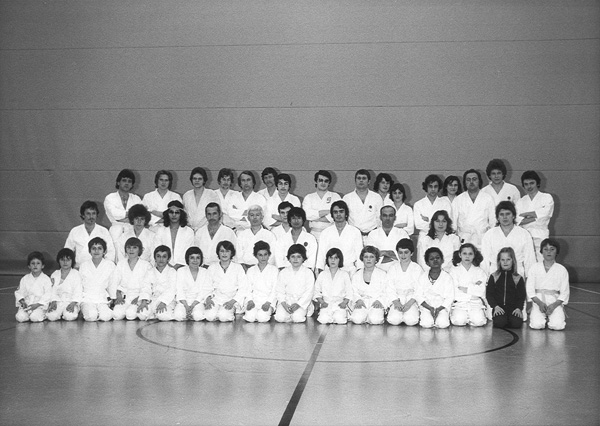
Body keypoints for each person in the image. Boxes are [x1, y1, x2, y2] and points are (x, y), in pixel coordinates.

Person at [481, 201, 536, 276]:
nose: (505, 217)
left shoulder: (524, 234)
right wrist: (485, 279)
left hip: (517, 274)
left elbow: (530, 260)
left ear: (513, 216)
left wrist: (529, 280)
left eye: (508, 214)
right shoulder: (489, 234)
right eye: (501, 214)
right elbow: (484, 260)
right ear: (497, 217)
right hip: (495, 274)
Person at [527, 239, 570, 330]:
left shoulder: (562, 270)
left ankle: (554, 315)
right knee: (537, 325)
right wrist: (539, 303)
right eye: (545, 249)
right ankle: (538, 315)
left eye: (552, 249)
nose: (549, 252)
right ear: (541, 251)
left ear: (557, 252)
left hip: (555, 300)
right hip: (538, 300)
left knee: (557, 326)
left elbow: (565, 291)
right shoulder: (534, 268)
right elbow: (529, 288)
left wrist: (554, 305)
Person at [515, 170, 555, 260]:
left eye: (532, 183)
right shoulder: (520, 201)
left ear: (537, 183)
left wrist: (526, 215)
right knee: (527, 263)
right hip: (525, 237)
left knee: (542, 263)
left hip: (541, 236)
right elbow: (518, 220)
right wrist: (537, 216)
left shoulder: (547, 197)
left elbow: (546, 214)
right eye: (526, 184)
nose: (529, 186)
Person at [316, 200, 363, 275]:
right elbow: (321, 256)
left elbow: (359, 255)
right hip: (330, 271)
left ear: (346, 214)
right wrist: (321, 273)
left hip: (349, 270)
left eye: (341, 211)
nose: (338, 214)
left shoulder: (355, 232)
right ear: (332, 215)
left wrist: (359, 273)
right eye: (335, 212)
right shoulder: (325, 232)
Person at [205, 241, 248, 322]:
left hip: (231, 299)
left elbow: (243, 288)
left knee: (223, 317)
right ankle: (217, 312)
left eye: (227, 251)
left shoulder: (238, 268)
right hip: (216, 298)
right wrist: (208, 299)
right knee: (209, 316)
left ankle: (225, 313)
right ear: (218, 253)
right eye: (222, 251)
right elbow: (206, 286)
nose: (224, 254)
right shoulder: (212, 267)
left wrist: (232, 302)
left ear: (231, 253)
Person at [112, 237, 153, 321]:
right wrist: (118, 296)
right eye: (129, 247)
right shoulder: (121, 264)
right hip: (124, 297)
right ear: (125, 249)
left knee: (130, 314)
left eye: (134, 247)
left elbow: (148, 285)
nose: (131, 250)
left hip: (138, 297)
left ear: (140, 250)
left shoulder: (146, 265)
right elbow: (115, 281)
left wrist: (141, 298)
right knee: (116, 315)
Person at [65, 200, 115, 268]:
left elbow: (111, 251)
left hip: (99, 267)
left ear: (97, 215)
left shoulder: (103, 231)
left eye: (93, 213)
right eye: (88, 214)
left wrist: (105, 266)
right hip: (79, 267)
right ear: (83, 215)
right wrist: (72, 266)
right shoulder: (75, 231)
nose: (91, 216)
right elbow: (67, 251)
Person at [452, 169, 496, 247]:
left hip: (482, 238)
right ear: (465, 182)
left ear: (479, 181)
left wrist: (491, 237)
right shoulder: (458, 199)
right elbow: (453, 223)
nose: (471, 182)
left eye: (474, 179)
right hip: (463, 238)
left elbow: (493, 221)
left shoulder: (488, 198)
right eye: (468, 180)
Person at [385, 239, 423, 326]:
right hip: (397, 298)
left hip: (411, 299)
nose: (403, 255)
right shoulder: (393, 268)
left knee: (411, 321)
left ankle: (414, 311)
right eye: (400, 252)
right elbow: (389, 287)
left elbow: (419, 289)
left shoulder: (417, 268)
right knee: (393, 320)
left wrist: (409, 304)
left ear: (412, 253)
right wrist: (395, 302)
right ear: (397, 253)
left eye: (406, 252)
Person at [486, 247, 526, 329]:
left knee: (516, 324)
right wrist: (495, 307)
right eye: (502, 260)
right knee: (499, 323)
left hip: (513, 308)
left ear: (513, 261)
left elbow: (521, 296)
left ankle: (510, 319)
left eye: (508, 259)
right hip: (499, 308)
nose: (505, 262)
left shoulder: (518, 278)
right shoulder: (494, 276)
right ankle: (503, 319)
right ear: (499, 261)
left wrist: (519, 308)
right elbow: (489, 294)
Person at [449, 243, 488, 327]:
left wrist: (466, 289)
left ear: (474, 255)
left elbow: (481, 291)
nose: (467, 256)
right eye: (464, 253)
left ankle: (473, 316)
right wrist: (473, 288)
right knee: (458, 321)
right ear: (460, 255)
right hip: (460, 303)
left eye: (470, 254)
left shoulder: (479, 271)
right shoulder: (454, 271)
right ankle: (463, 316)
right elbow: (454, 291)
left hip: (475, 303)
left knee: (479, 322)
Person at [274, 244, 315, 323]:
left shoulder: (308, 273)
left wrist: (298, 304)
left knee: (297, 318)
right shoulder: (283, 272)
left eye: (299, 256)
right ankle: (288, 314)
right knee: (280, 318)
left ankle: (297, 314)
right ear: (289, 258)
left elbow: (309, 292)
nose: (295, 259)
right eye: (293, 256)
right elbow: (279, 290)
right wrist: (284, 304)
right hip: (286, 301)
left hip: (301, 302)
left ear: (303, 258)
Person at [79, 237, 117, 322]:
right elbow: (79, 285)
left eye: (99, 248)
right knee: (91, 316)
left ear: (104, 251)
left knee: (106, 317)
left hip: (102, 298)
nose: (96, 251)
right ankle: (85, 311)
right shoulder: (84, 265)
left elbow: (112, 284)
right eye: (93, 248)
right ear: (89, 251)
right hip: (87, 298)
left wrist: (113, 299)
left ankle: (101, 311)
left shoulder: (110, 265)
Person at [415, 247, 454, 328]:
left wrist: (439, 309)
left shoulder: (447, 277)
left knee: (443, 324)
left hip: (442, 306)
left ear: (442, 260)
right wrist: (429, 308)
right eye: (431, 259)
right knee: (426, 324)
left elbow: (450, 297)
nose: (435, 260)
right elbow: (418, 295)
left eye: (437, 258)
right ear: (427, 263)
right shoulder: (422, 277)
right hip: (427, 306)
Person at [173, 247, 213, 321]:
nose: (195, 260)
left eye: (198, 258)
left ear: (201, 259)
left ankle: (192, 314)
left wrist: (193, 305)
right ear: (187, 259)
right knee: (178, 316)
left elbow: (204, 290)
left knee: (198, 316)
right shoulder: (181, 271)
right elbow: (179, 290)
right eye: (192, 258)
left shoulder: (205, 272)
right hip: (183, 301)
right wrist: (186, 306)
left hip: (198, 301)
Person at [349, 246, 386, 325]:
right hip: (362, 302)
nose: (368, 259)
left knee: (376, 320)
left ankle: (371, 315)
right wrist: (358, 300)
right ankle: (364, 315)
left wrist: (380, 301)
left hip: (376, 302)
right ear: (362, 259)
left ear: (376, 259)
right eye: (366, 257)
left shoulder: (382, 274)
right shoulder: (356, 275)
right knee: (356, 319)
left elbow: (386, 291)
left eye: (371, 257)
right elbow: (353, 291)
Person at [314, 248, 352, 325]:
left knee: (340, 320)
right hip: (326, 303)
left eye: (336, 258)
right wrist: (322, 302)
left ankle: (343, 313)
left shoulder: (344, 274)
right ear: (327, 259)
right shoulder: (322, 274)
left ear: (340, 260)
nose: (333, 260)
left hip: (339, 303)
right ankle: (326, 314)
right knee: (323, 320)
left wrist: (344, 302)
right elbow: (316, 291)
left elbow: (349, 291)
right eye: (331, 258)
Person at [243, 241, 279, 323]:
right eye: (260, 255)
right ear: (255, 256)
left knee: (262, 318)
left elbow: (275, 289)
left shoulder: (274, 270)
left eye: (265, 254)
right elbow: (247, 288)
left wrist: (268, 302)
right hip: (254, 300)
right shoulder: (251, 270)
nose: (263, 258)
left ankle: (266, 312)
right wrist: (250, 300)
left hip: (268, 301)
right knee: (250, 318)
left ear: (269, 255)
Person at [153, 201, 195, 269]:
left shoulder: (188, 231)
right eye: (171, 212)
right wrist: (167, 265)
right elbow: (157, 249)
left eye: (177, 212)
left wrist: (178, 266)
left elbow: (189, 251)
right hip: (164, 267)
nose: (174, 215)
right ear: (167, 214)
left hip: (183, 267)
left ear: (181, 214)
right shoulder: (160, 231)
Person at [366, 206, 410, 271]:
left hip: (398, 268)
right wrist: (391, 253)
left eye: (391, 215)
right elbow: (370, 254)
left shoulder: (402, 233)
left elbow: (406, 254)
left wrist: (383, 253)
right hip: (377, 269)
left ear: (395, 218)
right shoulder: (373, 234)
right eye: (385, 215)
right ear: (380, 217)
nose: (387, 218)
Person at [103, 169, 142, 243]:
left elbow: (140, 216)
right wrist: (132, 216)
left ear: (132, 184)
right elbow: (115, 214)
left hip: (132, 231)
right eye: (124, 180)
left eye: (129, 181)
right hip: (115, 232)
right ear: (118, 182)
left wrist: (125, 218)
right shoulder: (110, 198)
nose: (127, 183)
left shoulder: (136, 199)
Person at [343, 169, 383, 238]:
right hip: (353, 235)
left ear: (369, 181)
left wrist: (378, 233)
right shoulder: (347, 198)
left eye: (364, 178)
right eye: (359, 178)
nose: (361, 180)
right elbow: (344, 218)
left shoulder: (376, 197)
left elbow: (380, 218)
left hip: (373, 234)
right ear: (355, 181)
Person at [194, 202, 237, 267]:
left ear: (220, 214)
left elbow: (234, 255)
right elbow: (195, 252)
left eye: (214, 214)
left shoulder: (228, 232)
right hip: (203, 268)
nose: (212, 217)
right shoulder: (200, 232)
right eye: (209, 214)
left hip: (221, 268)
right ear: (206, 216)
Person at [302, 170, 341, 241]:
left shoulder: (335, 197)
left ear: (329, 183)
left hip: (331, 233)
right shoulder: (309, 197)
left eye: (326, 181)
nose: (323, 183)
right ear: (316, 181)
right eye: (320, 180)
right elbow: (307, 215)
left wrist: (315, 217)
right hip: (313, 234)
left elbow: (337, 215)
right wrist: (327, 211)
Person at [413, 174, 453, 243]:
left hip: (442, 238)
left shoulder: (445, 203)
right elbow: (418, 224)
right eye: (430, 186)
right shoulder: (418, 204)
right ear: (426, 187)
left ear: (439, 187)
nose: (433, 189)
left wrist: (428, 221)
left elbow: (448, 222)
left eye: (435, 186)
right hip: (424, 238)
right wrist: (438, 224)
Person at [15, 251, 52, 323]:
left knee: (34, 318)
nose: (35, 265)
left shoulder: (46, 279)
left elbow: (48, 294)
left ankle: (43, 314)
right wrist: (23, 302)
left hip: (39, 306)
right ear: (29, 266)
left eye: (38, 263)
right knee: (20, 318)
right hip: (27, 305)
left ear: (42, 266)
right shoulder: (25, 278)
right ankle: (27, 314)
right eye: (33, 263)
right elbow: (19, 292)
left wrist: (37, 304)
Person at [47, 248, 82, 322]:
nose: (65, 262)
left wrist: (73, 303)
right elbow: (52, 290)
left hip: (71, 301)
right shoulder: (55, 274)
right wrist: (53, 301)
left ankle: (68, 312)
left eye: (68, 260)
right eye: (62, 260)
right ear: (58, 261)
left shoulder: (76, 274)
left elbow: (78, 291)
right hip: (58, 301)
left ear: (72, 261)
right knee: (51, 316)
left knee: (69, 316)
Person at [236, 205, 276, 269]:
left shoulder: (269, 235)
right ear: (248, 218)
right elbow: (238, 255)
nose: (254, 217)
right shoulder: (242, 235)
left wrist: (263, 268)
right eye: (252, 215)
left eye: (257, 215)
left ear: (262, 217)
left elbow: (272, 255)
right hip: (245, 268)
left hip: (264, 267)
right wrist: (243, 267)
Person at [145, 245, 177, 321]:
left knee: (163, 316)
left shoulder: (172, 271)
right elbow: (145, 287)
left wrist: (163, 302)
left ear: (168, 259)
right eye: (158, 256)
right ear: (155, 258)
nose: (161, 259)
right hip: (153, 299)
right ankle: (154, 313)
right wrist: (144, 301)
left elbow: (172, 289)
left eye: (164, 256)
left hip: (167, 300)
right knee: (141, 314)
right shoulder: (150, 271)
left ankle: (173, 313)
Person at [182, 167, 220, 231]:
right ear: (191, 180)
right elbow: (184, 214)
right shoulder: (186, 195)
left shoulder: (211, 194)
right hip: (189, 229)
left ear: (204, 180)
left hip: (207, 229)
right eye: (194, 179)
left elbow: (217, 213)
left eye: (200, 179)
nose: (197, 181)